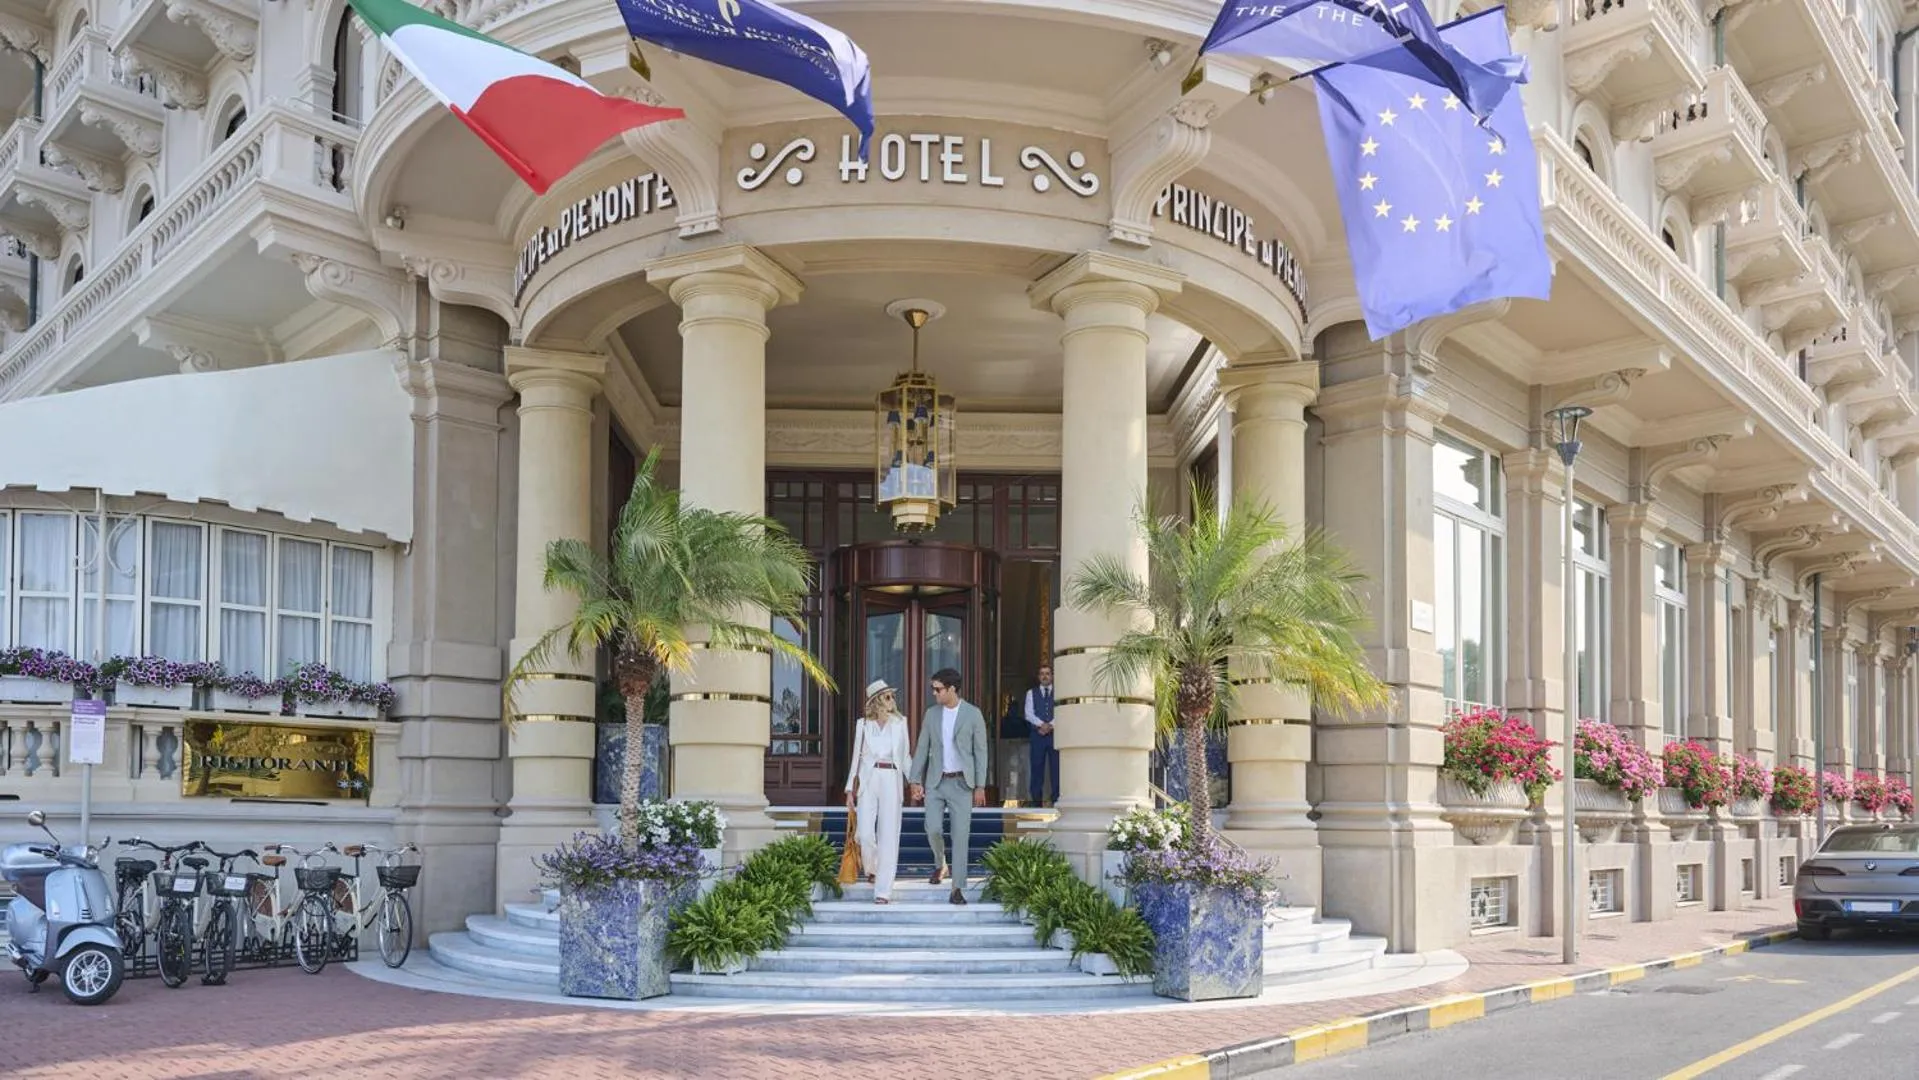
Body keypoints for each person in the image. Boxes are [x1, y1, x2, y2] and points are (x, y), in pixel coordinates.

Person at [908, 667, 989, 905]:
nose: (934, 693)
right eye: (933, 689)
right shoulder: (931, 714)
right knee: (932, 828)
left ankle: (957, 889)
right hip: (936, 781)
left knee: (960, 836)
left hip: (963, 784)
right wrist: (915, 779)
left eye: (938, 689)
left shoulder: (973, 714)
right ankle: (940, 863)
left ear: (952, 689)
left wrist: (980, 786)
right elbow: (922, 747)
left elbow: (981, 752)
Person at [845, 679, 910, 903]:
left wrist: (916, 782)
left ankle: (883, 891)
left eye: (892, 696)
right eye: (887, 696)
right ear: (876, 701)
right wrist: (849, 790)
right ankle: (871, 867)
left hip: (891, 778)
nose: (892, 700)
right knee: (863, 833)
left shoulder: (901, 723)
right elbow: (856, 758)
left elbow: (905, 757)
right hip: (869, 779)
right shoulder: (863, 725)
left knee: (889, 834)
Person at [1023, 664, 1058, 807]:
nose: (1045, 676)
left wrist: (1051, 725)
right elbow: (1028, 713)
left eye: (1048, 673)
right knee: (1037, 768)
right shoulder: (1031, 693)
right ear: (1039, 677)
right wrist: (1042, 725)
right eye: (1042, 673)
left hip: (1055, 735)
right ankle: (1036, 802)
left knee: (1056, 769)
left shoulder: (1060, 692)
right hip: (1037, 736)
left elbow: (1062, 711)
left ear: (1052, 676)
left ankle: (1056, 800)